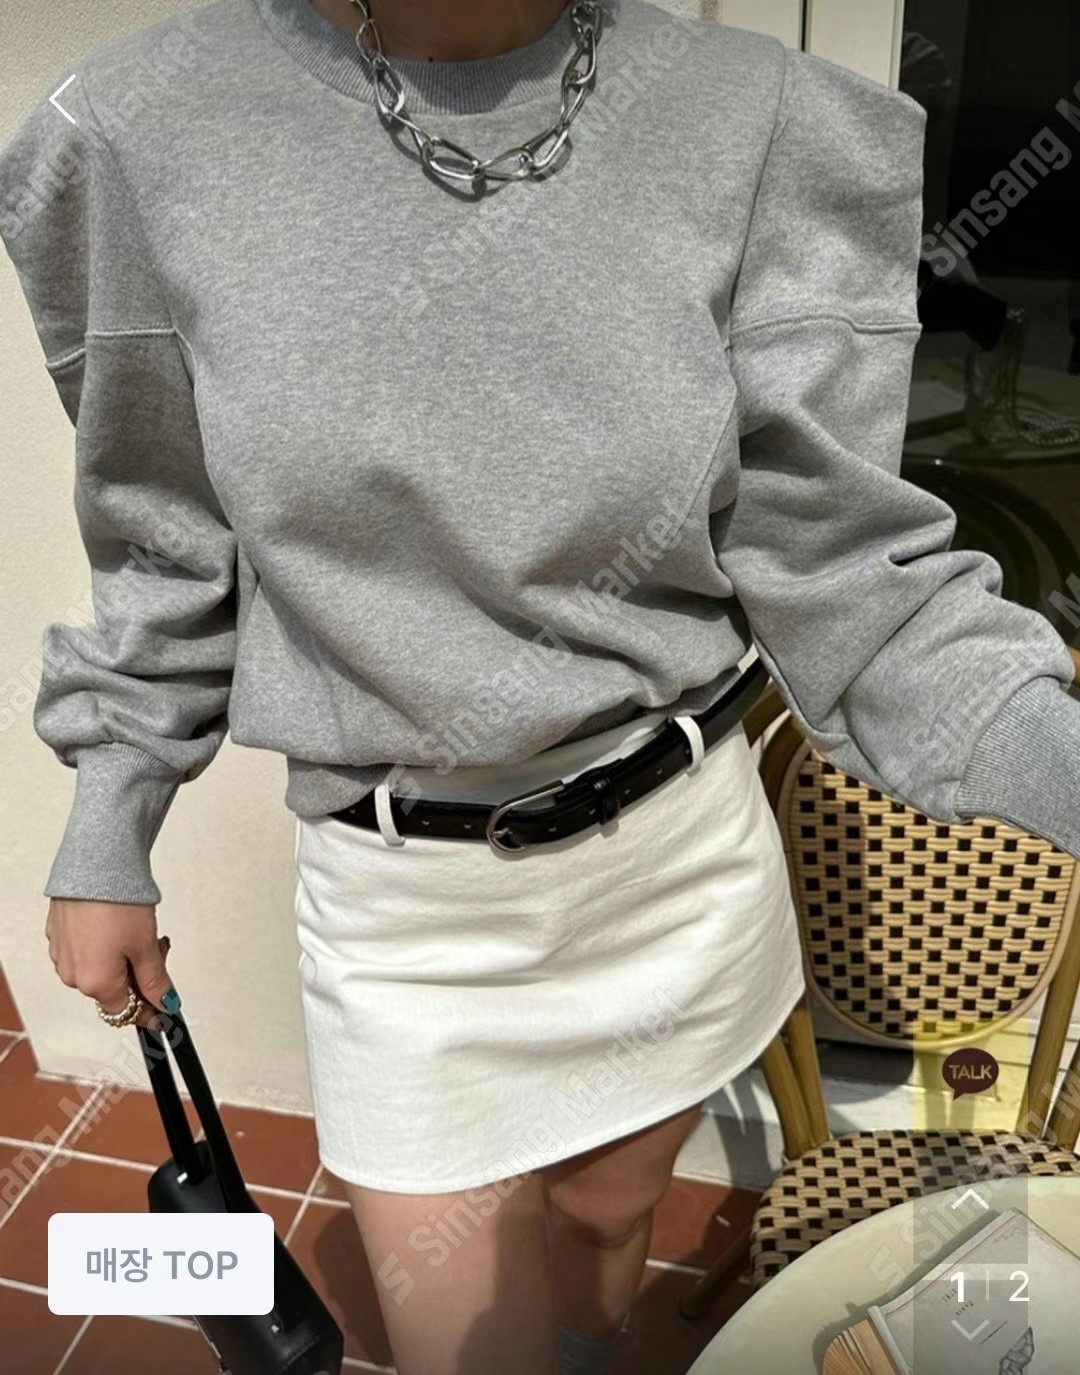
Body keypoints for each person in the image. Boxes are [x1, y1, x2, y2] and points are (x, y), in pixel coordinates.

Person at [2, 1, 1078, 1372]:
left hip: (676, 860)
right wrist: (111, 821)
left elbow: (853, 574)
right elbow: (162, 540)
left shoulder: (756, 119)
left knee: (609, 1224)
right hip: (406, 912)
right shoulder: (143, 130)